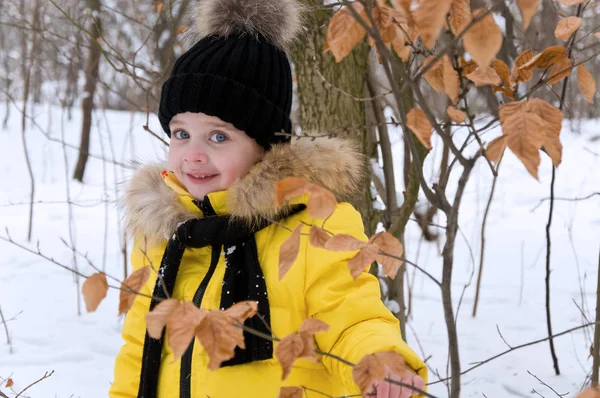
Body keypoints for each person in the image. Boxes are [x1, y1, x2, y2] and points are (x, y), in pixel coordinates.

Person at [109, 0, 427, 397]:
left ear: (265, 146)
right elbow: (139, 351)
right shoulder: (162, 238)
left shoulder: (311, 227)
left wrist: (380, 362)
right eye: (181, 133)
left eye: (219, 136)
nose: (193, 154)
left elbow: (352, 316)